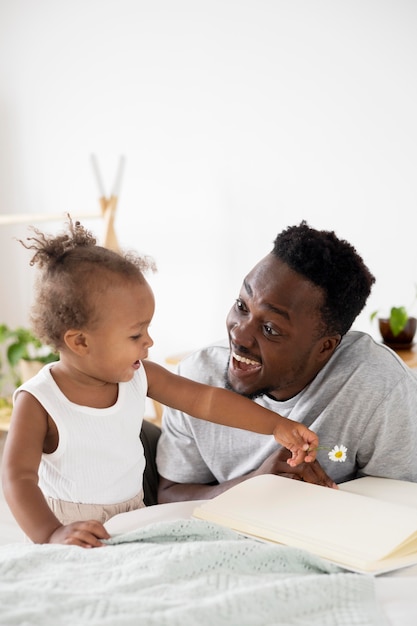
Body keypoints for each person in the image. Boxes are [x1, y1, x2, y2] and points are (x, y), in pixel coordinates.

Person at [1, 217, 318, 549]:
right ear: (80, 342)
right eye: (136, 334)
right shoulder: (39, 401)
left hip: (133, 513)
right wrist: (50, 533)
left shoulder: (140, 375)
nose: (148, 342)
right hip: (68, 528)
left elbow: (207, 401)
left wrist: (276, 425)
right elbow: (17, 478)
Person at [157, 221, 417, 504]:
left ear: (325, 347)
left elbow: (402, 505)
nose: (239, 334)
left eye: (270, 328)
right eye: (242, 306)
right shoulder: (195, 379)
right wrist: (255, 484)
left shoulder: (380, 388)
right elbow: (169, 495)